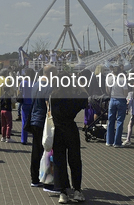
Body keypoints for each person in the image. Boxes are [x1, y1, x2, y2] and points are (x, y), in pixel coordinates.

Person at [50, 72, 88, 203]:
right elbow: (85, 99)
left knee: (59, 162)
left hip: (57, 131)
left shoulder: (53, 96)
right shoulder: (72, 97)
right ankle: (77, 190)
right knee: (75, 160)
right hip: (70, 130)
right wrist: (78, 84)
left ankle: (63, 192)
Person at [29, 64, 57, 192]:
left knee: (36, 151)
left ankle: (34, 179)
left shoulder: (36, 84)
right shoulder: (49, 87)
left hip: (34, 119)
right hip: (44, 122)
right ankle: (47, 182)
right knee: (47, 152)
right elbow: (48, 106)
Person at [105, 63, 129, 147]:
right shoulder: (122, 80)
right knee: (120, 121)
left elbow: (107, 90)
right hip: (121, 100)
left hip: (112, 99)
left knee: (111, 120)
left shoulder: (109, 78)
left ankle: (109, 141)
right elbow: (125, 92)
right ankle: (117, 142)